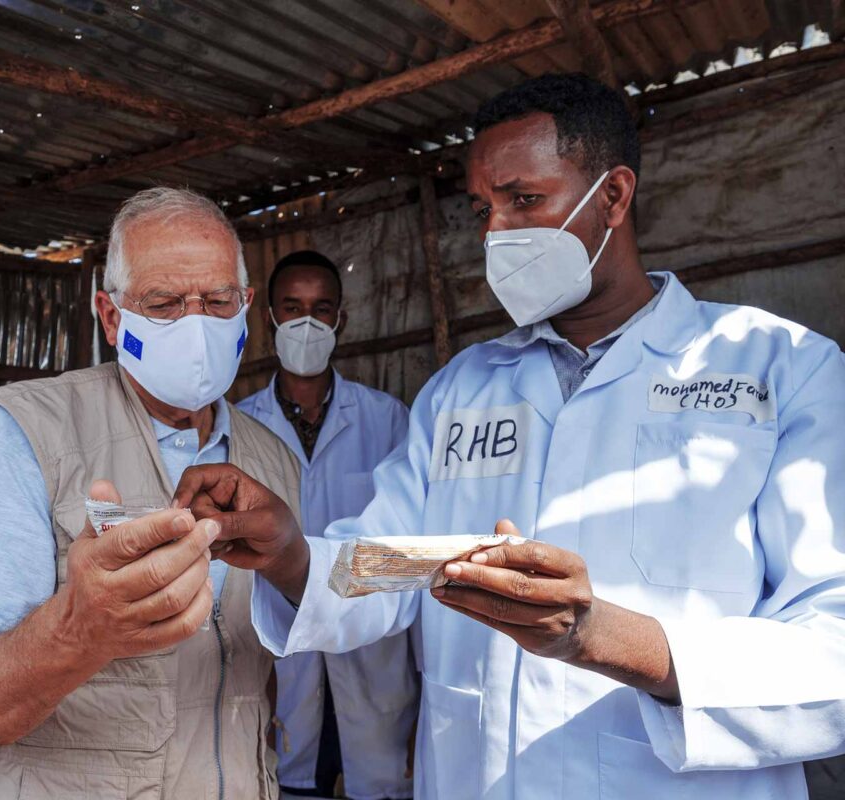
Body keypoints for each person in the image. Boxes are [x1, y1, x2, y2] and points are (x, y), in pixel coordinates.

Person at [174, 73, 845, 800]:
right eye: (483, 208)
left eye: (525, 200)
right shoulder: (463, 388)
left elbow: (832, 649)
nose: (496, 233)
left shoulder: (779, 370)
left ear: (614, 197)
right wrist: (292, 555)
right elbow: (388, 564)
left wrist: (613, 641)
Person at [0, 187, 301, 798]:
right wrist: (79, 630)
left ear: (246, 307)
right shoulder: (27, 433)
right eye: (163, 303)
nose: (194, 325)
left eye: (218, 301)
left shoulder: (273, 461)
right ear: (113, 318)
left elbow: (259, 678)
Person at [238, 250, 417, 800]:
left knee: (377, 782)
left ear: (341, 319)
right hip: (281, 666)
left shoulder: (387, 419)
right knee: (291, 782)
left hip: (373, 659)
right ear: (268, 318)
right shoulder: (242, 427)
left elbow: (408, 555)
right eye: (293, 308)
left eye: (321, 308)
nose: (307, 323)